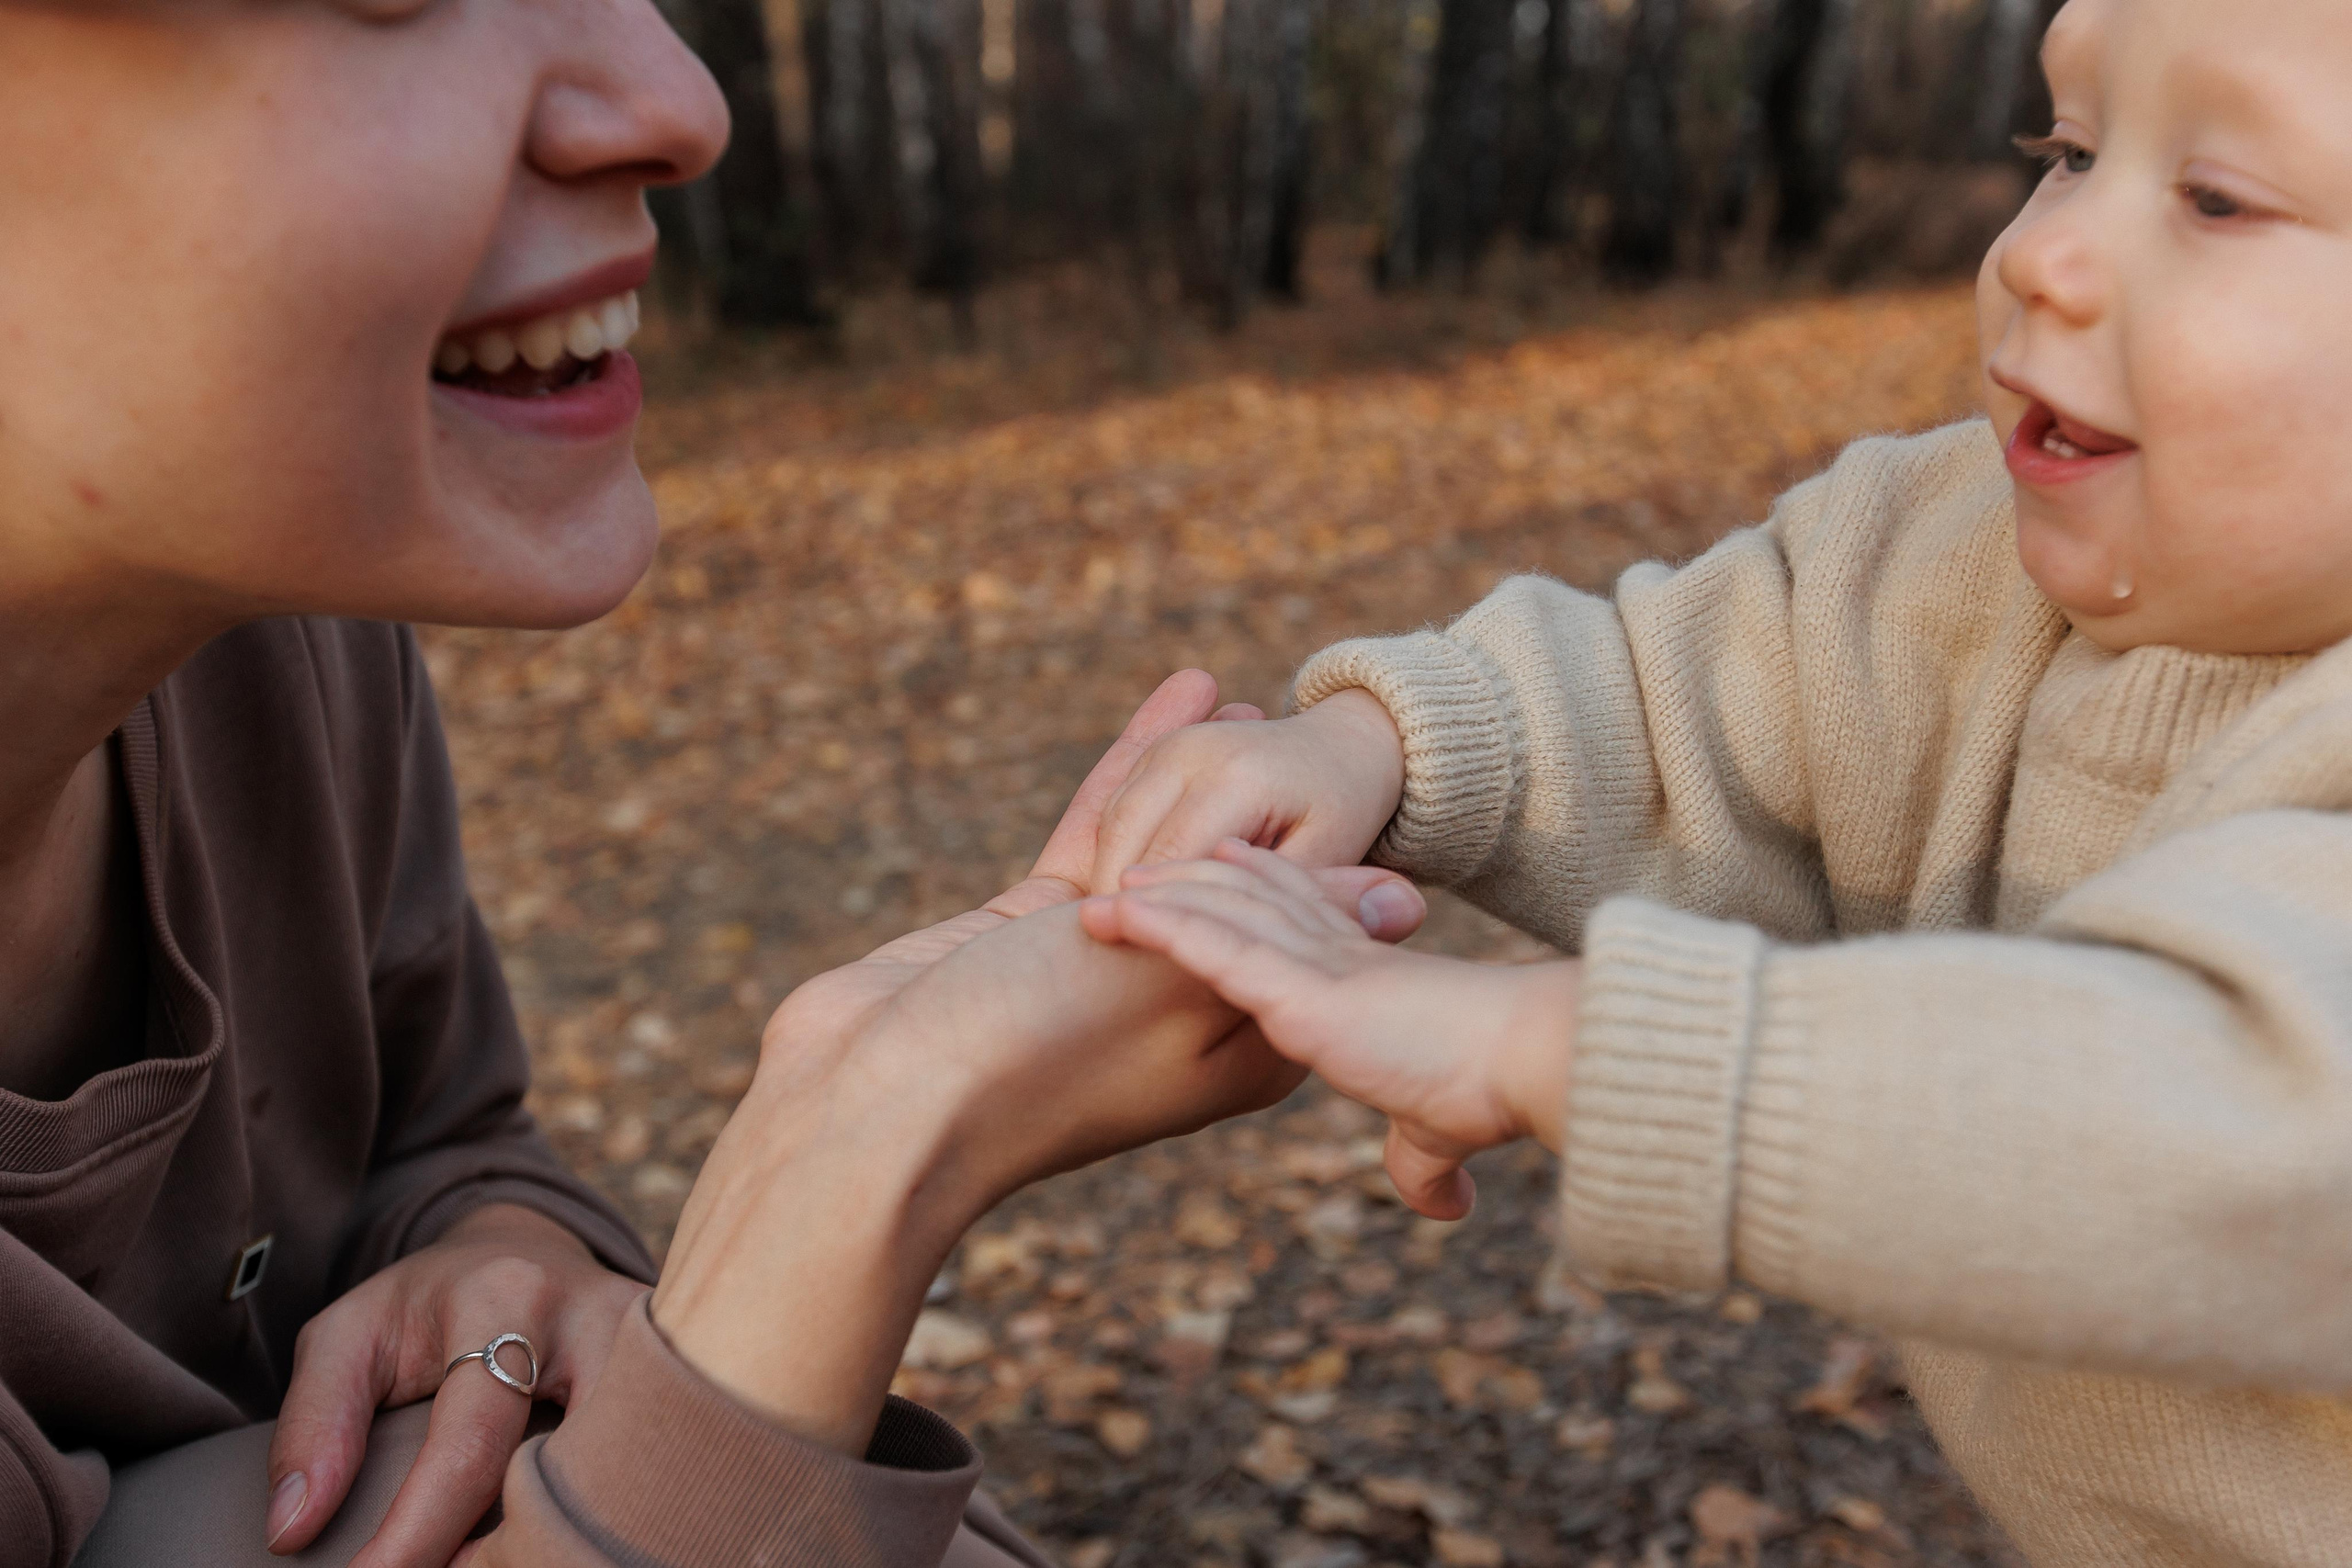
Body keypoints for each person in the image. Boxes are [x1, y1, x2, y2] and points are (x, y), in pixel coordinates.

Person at [0, 5, 1430, 1566]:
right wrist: (848, 1177)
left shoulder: (271, 643)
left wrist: (503, 1250)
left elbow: (441, 1132)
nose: (676, 104)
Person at [1079, 0, 2352, 1563]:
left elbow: (2231, 1111)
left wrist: (1566, 1045)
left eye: (2216, 197)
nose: (2041, 253)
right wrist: (1377, 751)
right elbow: (1688, 694)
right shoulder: (1946, 553)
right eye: (2070, 150)